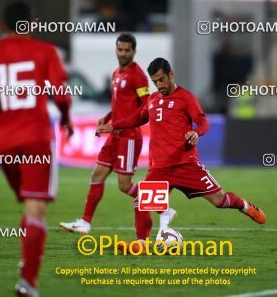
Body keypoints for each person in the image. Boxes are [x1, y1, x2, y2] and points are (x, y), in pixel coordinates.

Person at [97, 57, 266, 253]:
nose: (158, 85)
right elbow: (138, 118)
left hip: (185, 164)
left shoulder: (185, 97)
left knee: (220, 201)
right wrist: (113, 125)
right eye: (154, 81)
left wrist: (196, 132)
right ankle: (141, 244)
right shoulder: (152, 100)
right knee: (141, 202)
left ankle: (245, 206)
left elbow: (203, 122)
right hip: (160, 168)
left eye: (161, 79)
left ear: (171, 75)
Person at [0, 1, 73, 296]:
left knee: (28, 202)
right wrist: (65, 118)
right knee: (35, 206)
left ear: (2, 26)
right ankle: (28, 281)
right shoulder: (46, 52)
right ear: (32, 25)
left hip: (4, 141)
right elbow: (61, 95)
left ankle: (26, 263)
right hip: (36, 137)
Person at [60, 34, 177, 239]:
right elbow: (118, 105)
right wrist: (106, 118)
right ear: (116, 49)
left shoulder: (137, 75)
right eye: (120, 49)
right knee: (97, 175)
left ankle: (163, 208)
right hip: (113, 135)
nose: (123, 53)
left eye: (127, 50)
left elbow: (146, 104)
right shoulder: (116, 73)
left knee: (124, 185)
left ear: (134, 52)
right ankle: (85, 223)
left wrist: (126, 123)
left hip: (129, 137)